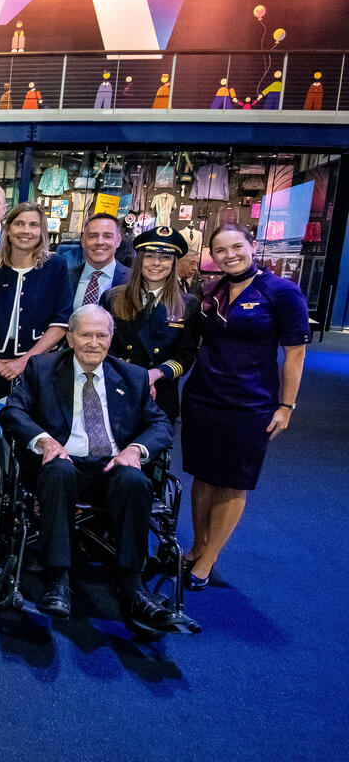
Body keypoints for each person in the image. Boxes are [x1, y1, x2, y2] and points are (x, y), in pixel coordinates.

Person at [0, 305, 174, 629]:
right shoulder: (42, 368)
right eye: (86, 334)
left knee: (135, 482)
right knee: (59, 471)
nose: (94, 342)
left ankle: (132, 585)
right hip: (62, 459)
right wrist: (45, 441)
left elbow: (160, 424)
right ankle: (58, 580)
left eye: (101, 335)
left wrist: (135, 450)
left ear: (110, 338)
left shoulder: (131, 376)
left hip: (111, 464)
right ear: (70, 337)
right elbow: (12, 413)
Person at [180, 225, 309, 590]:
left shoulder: (282, 292)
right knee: (203, 475)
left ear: (252, 246)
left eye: (237, 246)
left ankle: (209, 558)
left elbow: (295, 354)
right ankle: (196, 546)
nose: (229, 255)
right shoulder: (210, 291)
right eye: (220, 250)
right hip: (204, 397)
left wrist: (286, 405)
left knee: (232, 481)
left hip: (250, 403)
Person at [0, 203, 73, 474]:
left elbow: (61, 323)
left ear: (42, 231)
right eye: (19, 224)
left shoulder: (56, 267)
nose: (26, 231)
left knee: (33, 431)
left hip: (37, 366)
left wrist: (25, 361)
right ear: (8, 230)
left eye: (34, 225)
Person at [100, 227, 200, 423]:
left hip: (160, 393)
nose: (156, 263)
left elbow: (186, 355)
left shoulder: (188, 304)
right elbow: (103, 346)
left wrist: (156, 373)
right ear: (140, 260)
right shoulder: (113, 298)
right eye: (150, 256)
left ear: (174, 263)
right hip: (117, 386)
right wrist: (131, 377)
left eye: (165, 258)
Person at [70, 213, 130, 311]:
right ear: (83, 241)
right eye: (93, 236)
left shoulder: (133, 281)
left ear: (118, 241)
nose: (99, 242)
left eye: (107, 236)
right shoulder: (64, 278)